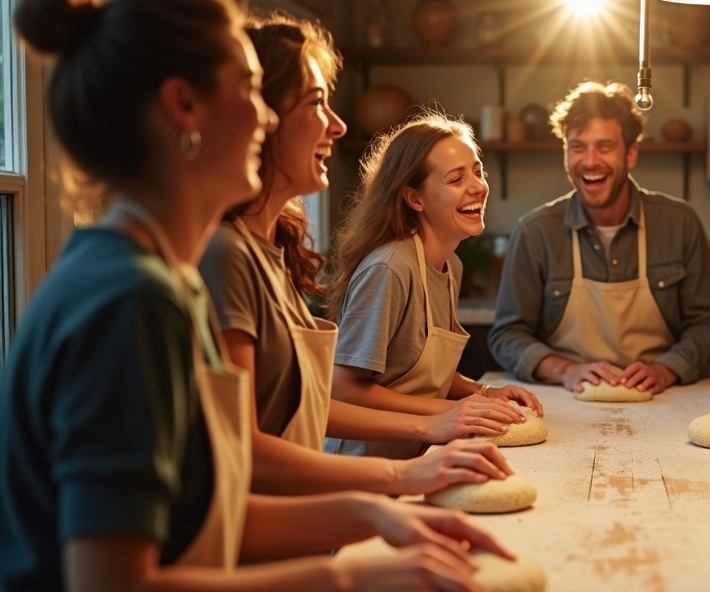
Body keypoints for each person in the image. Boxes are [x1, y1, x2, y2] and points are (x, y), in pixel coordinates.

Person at [0, 1, 510, 589]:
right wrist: (349, 578)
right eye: (250, 90)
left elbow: (202, 519)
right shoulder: (130, 300)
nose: (265, 119)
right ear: (184, 108)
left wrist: (376, 508)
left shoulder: (167, 280)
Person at [199, 11, 517, 495]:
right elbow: (266, 436)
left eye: (477, 171)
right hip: (341, 483)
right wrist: (429, 428)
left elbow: (307, 404)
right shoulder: (229, 254)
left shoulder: (271, 253)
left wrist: (480, 396)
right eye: (316, 101)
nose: (340, 125)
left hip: (348, 487)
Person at [488, 80, 710, 394]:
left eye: (605, 147)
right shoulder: (535, 233)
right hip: (563, 399)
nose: (589, 162)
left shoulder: (679, 224)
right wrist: (565, 370)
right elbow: (506, 334)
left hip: (660, 397)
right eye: (577, 147)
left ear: (631, 154)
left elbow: (709, 322)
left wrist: (667, 369)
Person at [325, 113, 543, 460]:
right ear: (415, 198)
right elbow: (344, 389)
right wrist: (443, 414)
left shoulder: (449, 264)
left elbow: (425, 374)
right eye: (456, 178)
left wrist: (483, 392)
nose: (477, 186)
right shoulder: (390, 268)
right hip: (363, 464)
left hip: (416, 456)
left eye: (477, 171)